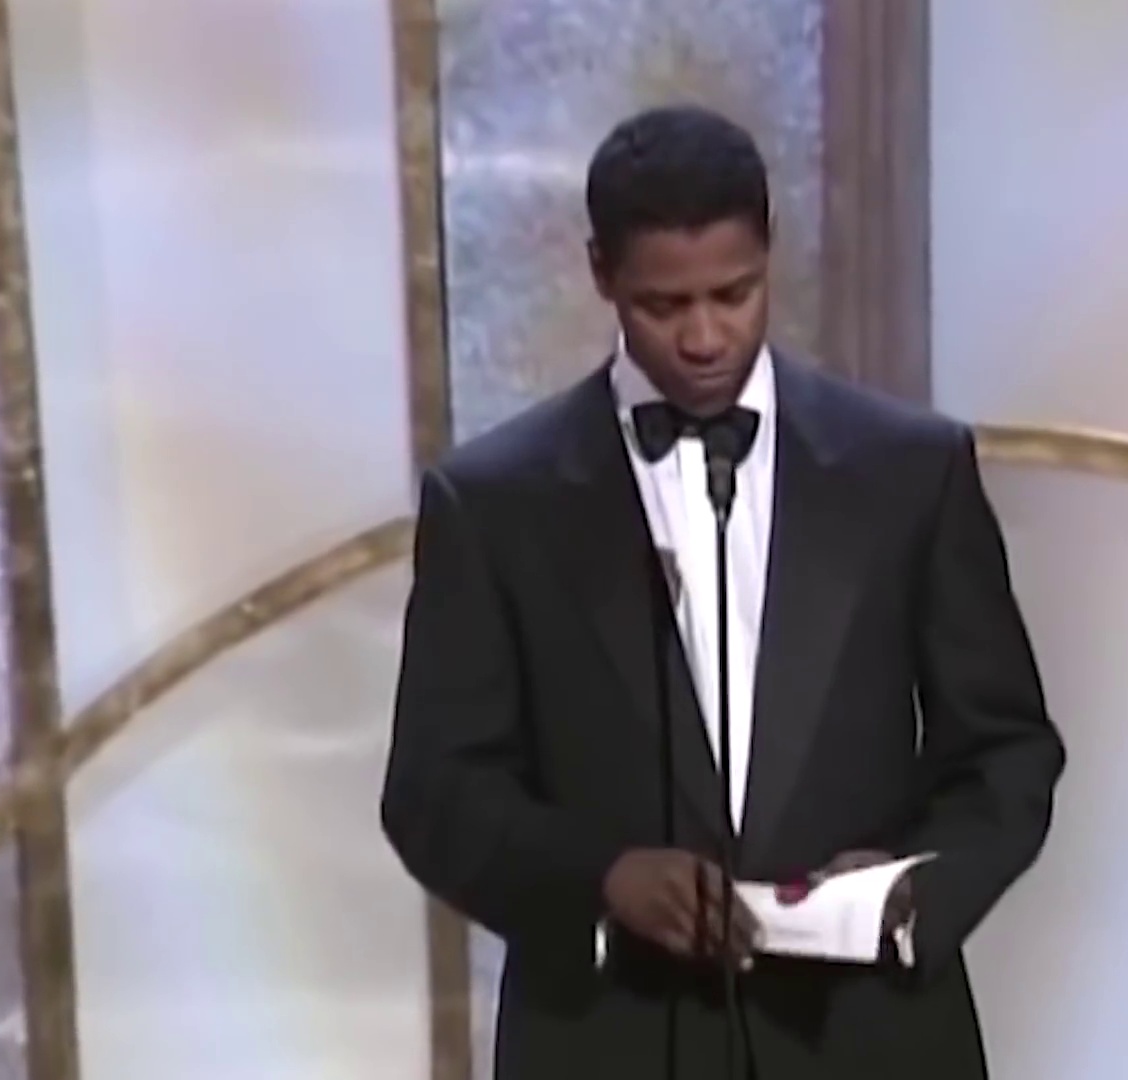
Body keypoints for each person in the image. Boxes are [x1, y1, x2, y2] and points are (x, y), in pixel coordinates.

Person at [380, 104, 1065, 1080]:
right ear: (601, 274)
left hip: (867, 1038)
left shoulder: (910, 473)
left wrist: (907, 888)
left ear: (770, 254)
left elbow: (1005, 750)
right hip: (610, 1040)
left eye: (734, 294)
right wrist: (602, 880)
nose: (704, 336)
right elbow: (436, 790)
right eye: (664, 306)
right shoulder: (495, 505)